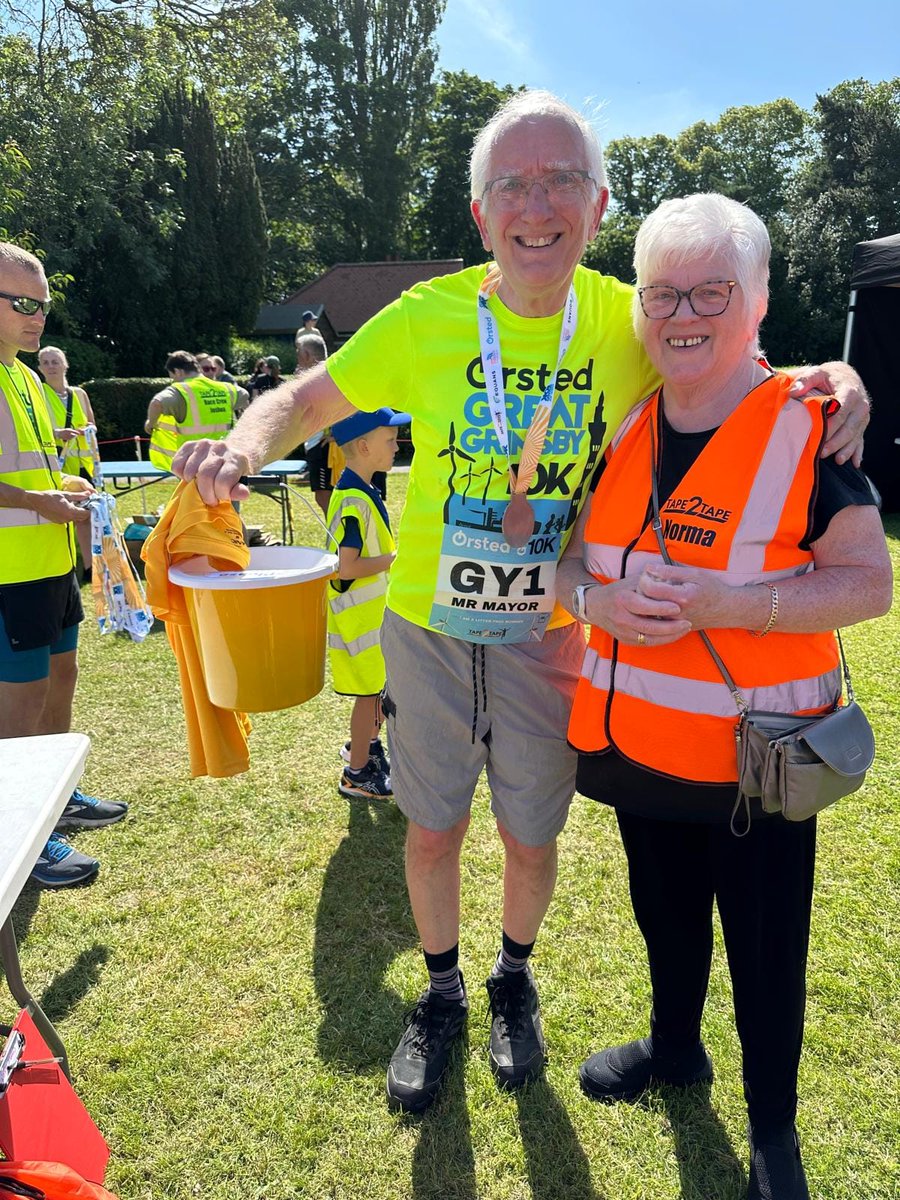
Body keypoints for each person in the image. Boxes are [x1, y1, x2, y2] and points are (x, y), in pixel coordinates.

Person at [170, 91, 869, 1115]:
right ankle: (444, 990)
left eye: (561, 181)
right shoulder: (428, 316)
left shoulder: (626, 319)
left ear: (596, 207)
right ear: (480, 213)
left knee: (533, 832)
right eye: (512, 184)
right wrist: (239, 445)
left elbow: (732, 357)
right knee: (432, 826)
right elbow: (306, 400)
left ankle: (512, 979)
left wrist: (833, 372)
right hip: (429, 623)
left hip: (553, 629)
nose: (536, 202)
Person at [559, 193, 892, 1200]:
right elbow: (571, 557)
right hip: (633, 748)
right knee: (662, 917)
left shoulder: (811, 423)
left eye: (713, 288)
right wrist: (595, 600)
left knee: (764, 954)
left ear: (757, 302)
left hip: (757, 765)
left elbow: (868, 583)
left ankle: (774, 1136)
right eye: (663, 291)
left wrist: (731, 600)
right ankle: (673, 1053)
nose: (684, 312)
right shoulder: (619, 421)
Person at [0, 243, 128, 887]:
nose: (37, 316)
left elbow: (33, 462)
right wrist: (35, 501)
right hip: (9, 573)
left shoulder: (25, 375)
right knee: (17, 708)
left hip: (52, 563)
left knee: (63, 677)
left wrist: (68, 491)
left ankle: (55, 796)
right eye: (21, 303)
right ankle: (25, 830)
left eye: (43, 304)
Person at [327, 408, 407, 801]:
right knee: (370, 696)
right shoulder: (352, 500)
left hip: (372, 618)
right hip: (362, 622)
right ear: (363, 446)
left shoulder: (362, 490)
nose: (397, 445)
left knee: (376, 694)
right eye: (390, 440)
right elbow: (346, 566)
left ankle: (365, 748)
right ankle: (356, 773)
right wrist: (397, 558)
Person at [37, 345, 98, 581]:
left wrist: (87, 430)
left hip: (83, 465)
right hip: (55, 465)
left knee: (85, 514)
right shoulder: (38, 392)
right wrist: (56, 433)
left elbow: (92, 423)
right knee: (59, 516)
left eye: (55, 361)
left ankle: (89, 567)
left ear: (65, 364)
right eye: (46, 362)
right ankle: (63, 566)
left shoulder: (79, 394)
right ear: (40, 368)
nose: (51, 366)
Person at [145, 350, 248, 471]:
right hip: (224, 458)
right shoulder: (224, 388)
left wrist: (150, 423)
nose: (172, 379)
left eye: (171, 375)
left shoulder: (180, 391)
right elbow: (244, 395)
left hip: (193, 461)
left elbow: (157, 403)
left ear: (178, 371)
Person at [295, 332, 335, 516]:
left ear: (306, 355)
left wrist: (337, 434)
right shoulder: (315, 376)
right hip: (315, 443)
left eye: (298, 351)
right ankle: (337, 538)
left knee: (325, 496)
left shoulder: (326, 375)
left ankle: (339, 540)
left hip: (324, 446)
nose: (296, 356)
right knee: (324, 496)